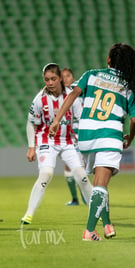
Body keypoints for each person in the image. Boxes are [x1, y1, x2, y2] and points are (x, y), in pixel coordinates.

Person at [49, 43, 135, 241]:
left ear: (109, 60)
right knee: (101, 186)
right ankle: (89, 231)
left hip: (85, 136)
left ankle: (108, 225)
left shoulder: (91, 74)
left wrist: (56, 119)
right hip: (109, 135)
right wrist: (130, 135)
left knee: (99, 184)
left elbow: (72, 94)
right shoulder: (129, 86)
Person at [21, 63, 93, 225]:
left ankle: (95, 213)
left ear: (60, 78)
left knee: (82, 176)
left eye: (53, 79)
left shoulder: (72, 96)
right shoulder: (40, 99)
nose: (50, 83)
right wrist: (31, 147)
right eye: (46, 80)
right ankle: (29, 214)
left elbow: (82, 119)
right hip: (47, 140)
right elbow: (31, 123)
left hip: (68, 141)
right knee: (46, 173)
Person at [61, 68, 86, 206]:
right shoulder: (60, 95)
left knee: (78, 166)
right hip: (67, 135)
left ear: (73, 77)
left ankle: (84, 195)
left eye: (68, 76)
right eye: (63, 76)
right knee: (68, 166)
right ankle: (75, 198)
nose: (65, 78)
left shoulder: (79, 92)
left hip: (80, 134)